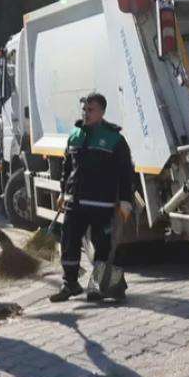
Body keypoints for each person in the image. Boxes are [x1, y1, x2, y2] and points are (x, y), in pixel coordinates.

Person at [50, 93, 136, 303]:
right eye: (84, 110)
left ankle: (97, 286)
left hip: (102, 204)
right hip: (75, 202)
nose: (86, 114)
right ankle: (70, 283)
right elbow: (67, 167)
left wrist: (125, 200)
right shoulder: (74, 135)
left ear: (102, 112)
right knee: (68, 242)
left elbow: (126, 172)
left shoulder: (115, 139)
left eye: (91, 110)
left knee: (103, 246)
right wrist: (63, 192)